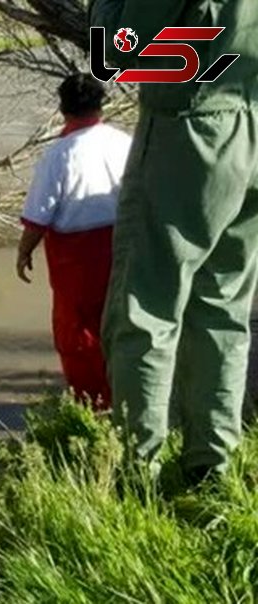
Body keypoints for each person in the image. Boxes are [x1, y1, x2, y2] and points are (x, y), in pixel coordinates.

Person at [92, 0, 257, 481]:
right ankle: (213, 467)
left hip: (191, 127)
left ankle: (136, 474)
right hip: (252, 122)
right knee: (224, 307)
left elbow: (118, 49)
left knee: (144, 310)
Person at [15, 74, 132, 410]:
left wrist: (23, 252)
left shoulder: (58, 155)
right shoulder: (123, 141)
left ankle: (93, 406)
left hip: (77, 259)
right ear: (101, 106)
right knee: (123, 323)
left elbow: (39, 215)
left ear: (63, 109)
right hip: (125, 245)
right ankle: (130, 398)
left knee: (78, 334)